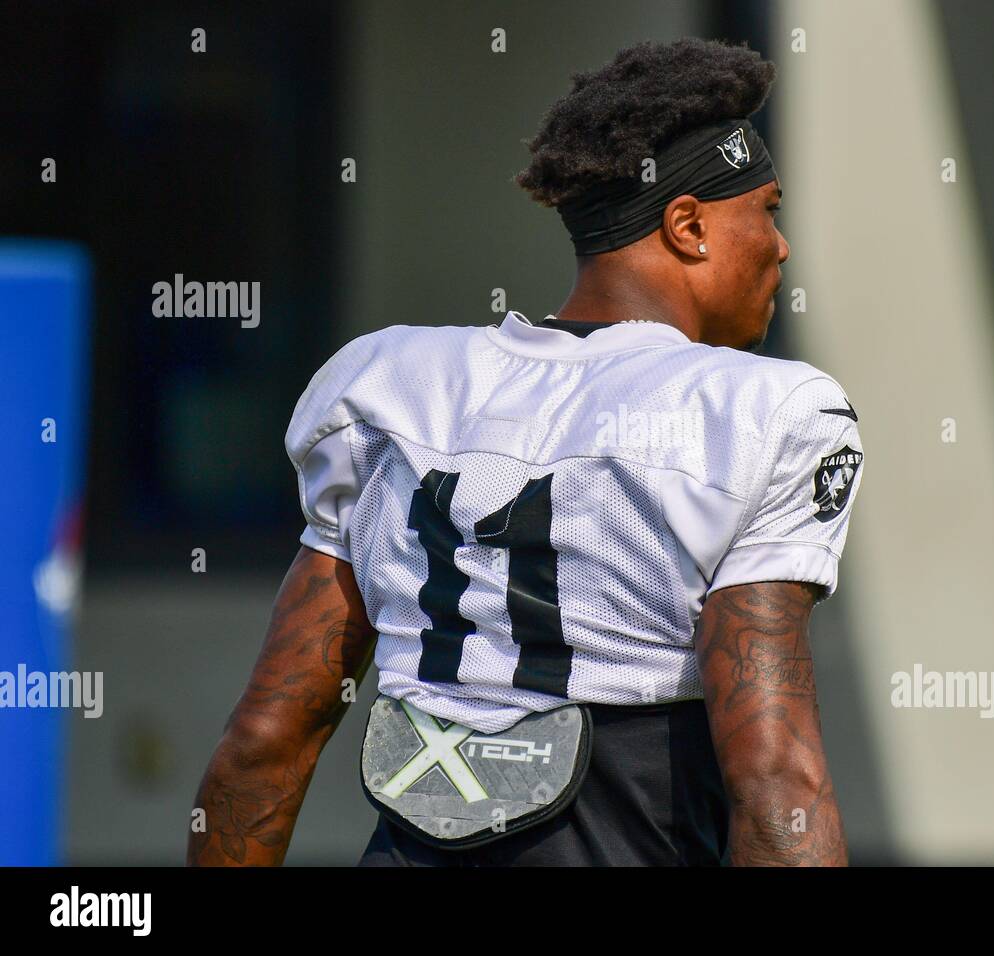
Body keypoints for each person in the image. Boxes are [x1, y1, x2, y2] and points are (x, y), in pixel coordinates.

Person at [188, 37, 862, 867]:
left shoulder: (391, 385)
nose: (782, 245)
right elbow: (777, 775)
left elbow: (267, 737)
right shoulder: (762, 409)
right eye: (768, 210)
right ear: (689, 227)